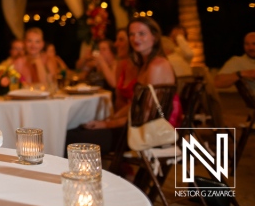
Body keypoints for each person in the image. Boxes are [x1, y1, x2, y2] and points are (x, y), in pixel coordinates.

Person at [67, 17, 176, 153]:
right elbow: (138, 104)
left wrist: (107, 124)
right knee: (77, 131)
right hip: (137, 128)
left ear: (154, 37)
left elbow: (146, 115)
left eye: (142, 33)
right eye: (132, 34)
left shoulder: (157, 66)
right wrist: (111, 118)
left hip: (146, 134)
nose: (135, 38)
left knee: (71, 139)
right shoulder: (145, 65)